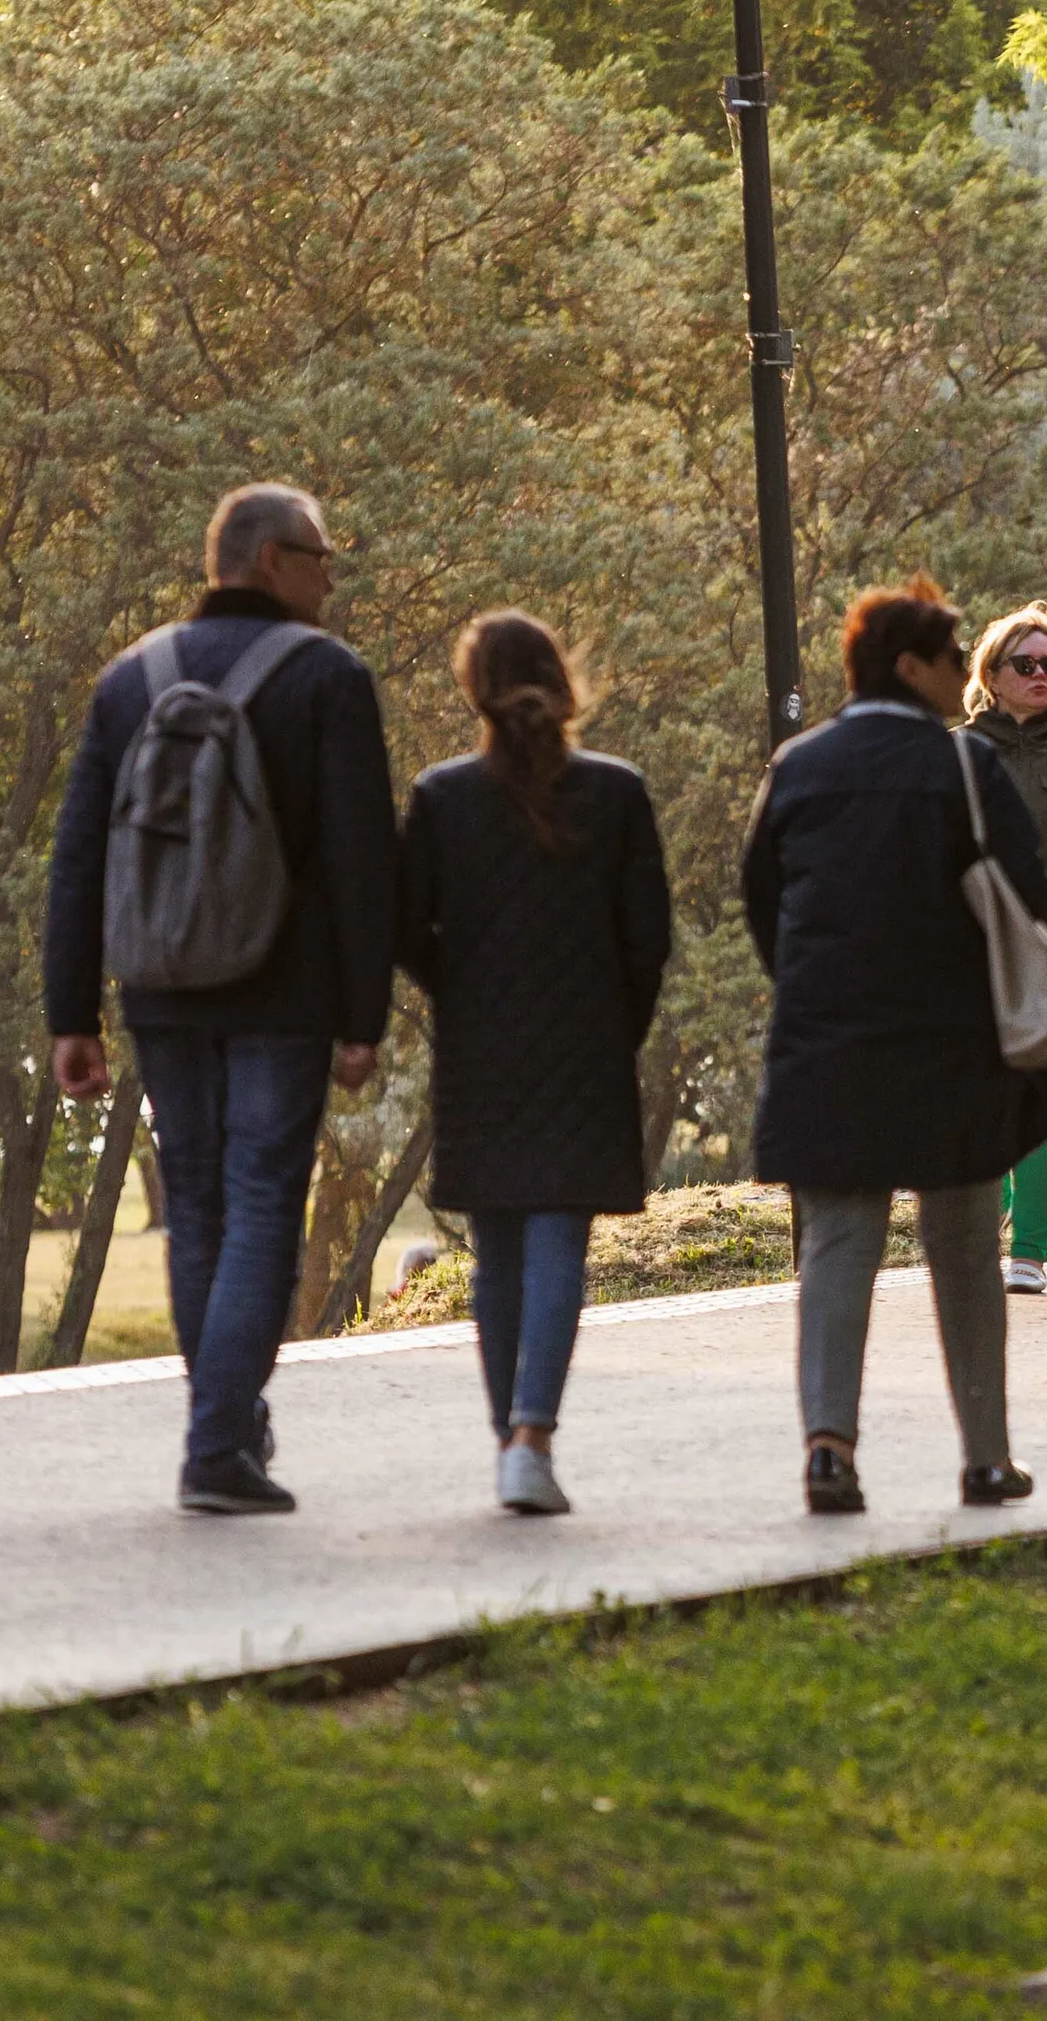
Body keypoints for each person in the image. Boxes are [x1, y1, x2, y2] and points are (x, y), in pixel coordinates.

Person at [44, 483, 394, 1517]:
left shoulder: (130, 680)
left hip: (161, 987)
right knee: (259, 1212)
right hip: (280, 995)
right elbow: (362, 857)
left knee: (196, 1206)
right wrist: (361, 1013)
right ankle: (216, 1450)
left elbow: (78, 858)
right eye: (323, 555)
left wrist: (75, 1011)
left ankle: (225, 1429)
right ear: (269, 559)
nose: (331, 575)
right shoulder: (327, 677)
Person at [743, 581, 1047, 1516]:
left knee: (839, 1246)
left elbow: (762, 902)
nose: (959, 669)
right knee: (965, 1249)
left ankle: (828, 1452)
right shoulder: (964, 769)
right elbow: (1025, 898)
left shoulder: (797, 765)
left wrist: (814, 986)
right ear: (909, 666)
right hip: (951, 1046)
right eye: (948, 654)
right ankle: (985, 1456)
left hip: (827, 1042)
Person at [394, 612, 673, 1518]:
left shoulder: (442, 797)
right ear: (563, 681)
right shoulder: (618, 792)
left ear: (474, 687)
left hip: (482, 1049)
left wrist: (460, 993)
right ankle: (531, 1436)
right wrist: (614, 1027)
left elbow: (407, 928)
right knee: (559, 1242)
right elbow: (649, 940)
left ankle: (507, 1438)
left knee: (497, 1255)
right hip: (587, 1048)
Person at [963, 604, 1047, 1295]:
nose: (1043, 675)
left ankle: (1030, 1251)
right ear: (991, 675)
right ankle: (985, 1219)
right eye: (1027, 664)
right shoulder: (957, 752)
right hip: (971, 943)